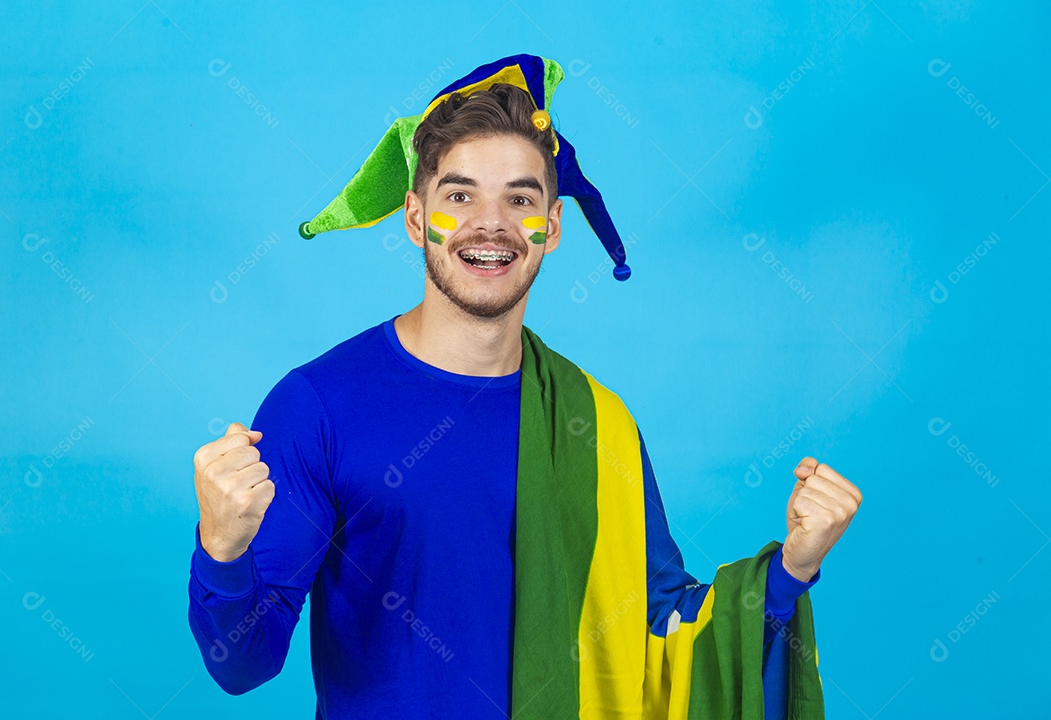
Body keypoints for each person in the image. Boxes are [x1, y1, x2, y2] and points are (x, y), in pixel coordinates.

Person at [187, 55, 861, 719]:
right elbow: (242, 664)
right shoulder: (318, 407)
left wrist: (789, 571)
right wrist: (223, 549)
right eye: (460, 196)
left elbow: (658, 629)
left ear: (552, 226)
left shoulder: (594, 420)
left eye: (520, 198)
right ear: (416, 218)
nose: (491, 223)